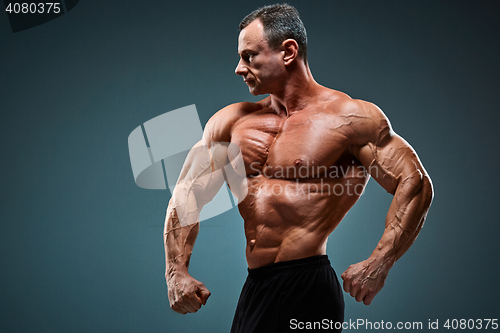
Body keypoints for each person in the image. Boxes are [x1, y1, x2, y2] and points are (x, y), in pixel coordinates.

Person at [163, 4, 433, 332]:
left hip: (307, 285)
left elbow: (414, 181)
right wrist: (176, 271)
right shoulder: (232, 121)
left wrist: (380, 262)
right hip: (256, 288)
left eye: (249, 56)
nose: (238, 68)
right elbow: (186, 194)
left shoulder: (348, 118)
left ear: (288, 52)